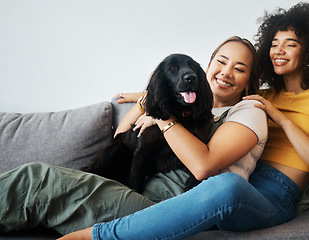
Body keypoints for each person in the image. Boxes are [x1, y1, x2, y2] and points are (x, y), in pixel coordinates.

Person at [59, 2, 309, 239]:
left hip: (275, 194)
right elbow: (211, 84)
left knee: (226, 185)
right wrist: (149, 94)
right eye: (274, 43)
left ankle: (99, 236)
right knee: (217, 183)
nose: (278, 50)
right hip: (241, 182)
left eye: (291, 43)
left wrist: (283, 121)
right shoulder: (263, 94)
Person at [0, 36, 268, 238]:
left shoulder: (248, 110)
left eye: (240, 68)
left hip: (167, 208)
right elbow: (122, 137)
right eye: (221, 62)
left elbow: (203, 167)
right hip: (135, 191)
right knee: (38, 183)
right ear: (207, 66)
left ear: (248, 81)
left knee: (37, 178)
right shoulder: (181, 103)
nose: (226, 72)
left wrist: (163, 118)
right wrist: (146, 103)